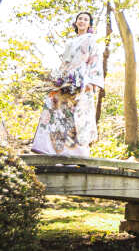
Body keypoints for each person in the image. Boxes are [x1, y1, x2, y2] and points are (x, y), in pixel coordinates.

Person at [31, 12, 103, 156]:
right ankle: (50, 147)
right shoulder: (70, 42)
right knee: (55, 106)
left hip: (83, 80)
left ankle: (78, 152)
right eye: (80, 19)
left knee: (78, 113)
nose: (82, 21)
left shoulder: (92, 40)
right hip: (66, 79)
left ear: (89, 24)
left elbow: (95, 60)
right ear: (76, 22)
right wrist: (57, 80)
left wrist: (91, 82)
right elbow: (64, 63)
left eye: (86, 19)